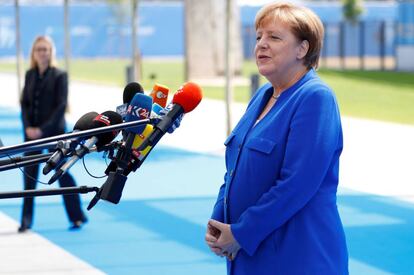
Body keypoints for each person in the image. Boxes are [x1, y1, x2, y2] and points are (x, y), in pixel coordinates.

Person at [205, 2, 348, 274]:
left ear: (302, 49)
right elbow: (233, 169)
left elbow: (297, 184)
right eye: (258, 36)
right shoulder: (262, 95)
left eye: (274, 37)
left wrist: (242, 233)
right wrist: (218, 219)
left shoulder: (315, 98)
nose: (261, 44)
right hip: (249, 253)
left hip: (297, 257)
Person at [19, 35, 87, 233]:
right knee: (29, 178)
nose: (42, 53)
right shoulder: (30, 75)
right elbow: (25, 104)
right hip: (31, 136)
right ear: (34, 53)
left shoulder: (59, 76)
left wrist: (42, 130)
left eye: (45, 49)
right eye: (39, 49)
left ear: (51, 52)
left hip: (54, 134)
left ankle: (77, 216)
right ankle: (26, 220)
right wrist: (28, 127)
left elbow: (61, 106)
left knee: (62, 174)